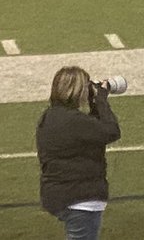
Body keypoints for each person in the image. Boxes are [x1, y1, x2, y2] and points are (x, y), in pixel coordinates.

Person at [36, 66, 122, 240]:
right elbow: (111, 131)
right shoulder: (74, 121)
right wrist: (101, 99)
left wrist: (95, 104)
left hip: (56, 193)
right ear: (78, 91)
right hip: (80, 197)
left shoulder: (50, 117)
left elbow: (93, 132)